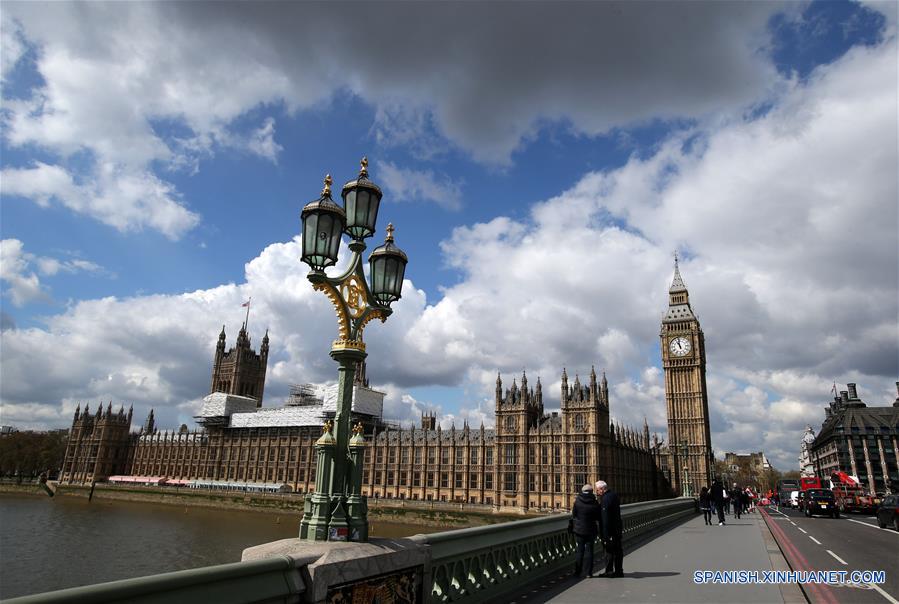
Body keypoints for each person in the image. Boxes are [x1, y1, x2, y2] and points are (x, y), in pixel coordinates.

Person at [571, 483, 601, 578]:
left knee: (580, 551)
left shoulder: (577, 501)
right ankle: (588, 573)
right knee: (590, 551)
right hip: (591, 529)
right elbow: (598, 516)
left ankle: (578, 571)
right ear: (591, 492)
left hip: (579, 529)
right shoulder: (594, 502)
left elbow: (574, 515)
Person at [596, 480, 623, 577]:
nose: (597, 492)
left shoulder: (606, 499)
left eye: (598, 490)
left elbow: (605, 518)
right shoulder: (614, 495)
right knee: (618, 551)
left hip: (610, 531)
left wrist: (606, 535)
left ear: (603, 489)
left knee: (609, 551)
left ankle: (609, 571)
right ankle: (619, 571)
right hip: (617, 528)